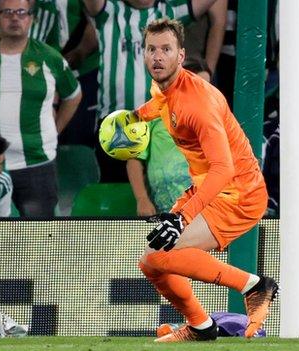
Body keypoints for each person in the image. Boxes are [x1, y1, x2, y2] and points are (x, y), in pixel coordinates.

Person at [133, 18, 277, 342]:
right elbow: (158, 105)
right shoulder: (164, 89)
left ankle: (253, 285)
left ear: (180, 55)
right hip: (210, 188)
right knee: (150, 263)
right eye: (151, 49)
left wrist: (180, 217)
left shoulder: (198, 104)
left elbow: (223, 169)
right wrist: (130, 120)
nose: (157, 56)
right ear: (143, 54)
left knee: (160, 255)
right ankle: (200, 325)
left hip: (238, 193)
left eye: (166, 49)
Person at [0, 0, 82, 216]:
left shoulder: (49, 57)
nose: (15, 18)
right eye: (7, 13)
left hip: (36, 162)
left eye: (21, 13)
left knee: (37, 239)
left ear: (31, 19)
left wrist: (55, 130)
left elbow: (73, 96)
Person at [81, 0, 219, 183]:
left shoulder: (170, 11)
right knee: (115, 192)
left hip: (159, 128)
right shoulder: (108, 9)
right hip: (115, 127)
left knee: (157, 193)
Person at [127, 60, 212, 216]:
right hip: (162, 214)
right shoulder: (152, 115)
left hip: (202, 214)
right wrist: (142, 199)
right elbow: (134, 160)